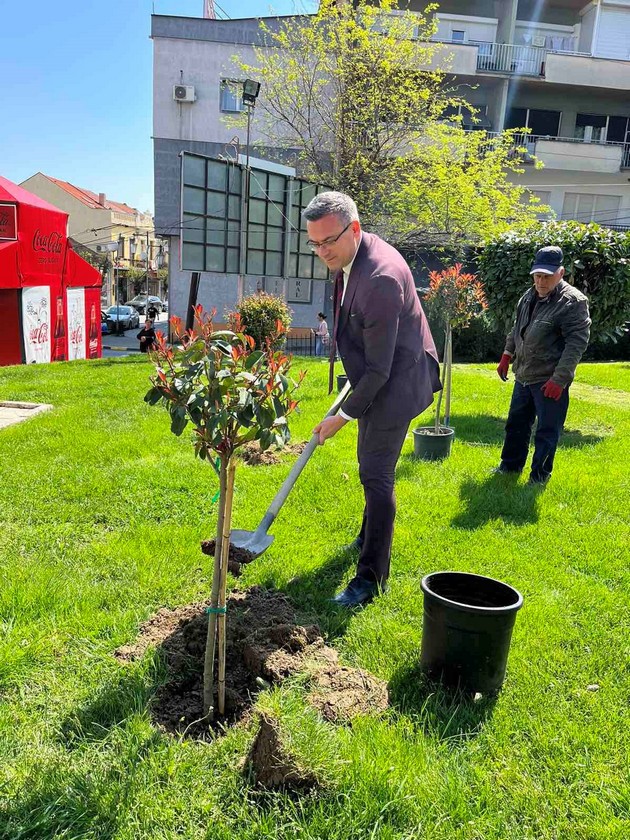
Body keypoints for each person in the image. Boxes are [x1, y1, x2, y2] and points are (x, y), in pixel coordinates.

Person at [303, 191, 441, 607]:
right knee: (369, 465)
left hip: (397, 383)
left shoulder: (379, 278)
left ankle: (370, 578)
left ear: (355, 228)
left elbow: (381, 370)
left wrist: (341, 417)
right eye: (314, 243)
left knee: (376, 476)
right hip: (378, 376)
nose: (322, 251)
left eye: (329, 241)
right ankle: (367, 533)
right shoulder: (352, 254)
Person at [495, 245, 591, 485]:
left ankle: (539, 477)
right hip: (524, 375)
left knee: (546, 431)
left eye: (547, 276)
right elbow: (517, 328)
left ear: (561, 272)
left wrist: (559, 380)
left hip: (549, 380)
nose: (541, 281)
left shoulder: (573, 302)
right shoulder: (528, 296)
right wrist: (508, 354)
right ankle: (509, 467)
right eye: (537, 275)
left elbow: (576, 345)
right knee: (516, 425)